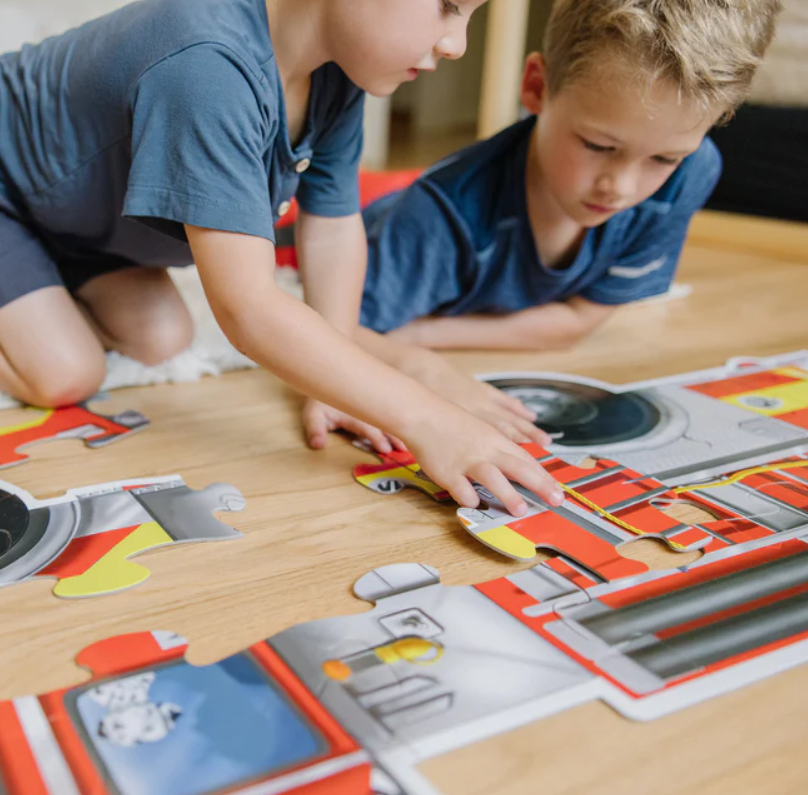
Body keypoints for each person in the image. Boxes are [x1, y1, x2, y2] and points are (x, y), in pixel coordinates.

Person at [0, 0, 566, 518]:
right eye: (446, 7)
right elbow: (246, 309)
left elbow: (333, 227)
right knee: (64, 373)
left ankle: (36, 286)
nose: (457, 44)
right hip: (9, 189)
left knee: (161, 338)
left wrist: (334, 384)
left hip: (73, 222)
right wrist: (427, 418)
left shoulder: (337, 70)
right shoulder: (207, 66)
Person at [360, 0, 783, 354]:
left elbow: (581, 319)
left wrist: (422, 335)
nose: (620, 188)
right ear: (536, 87)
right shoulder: (436, 218)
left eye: (664, 158)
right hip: (386, 221)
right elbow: (344, 336)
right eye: (598, 146)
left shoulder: (693, 170)